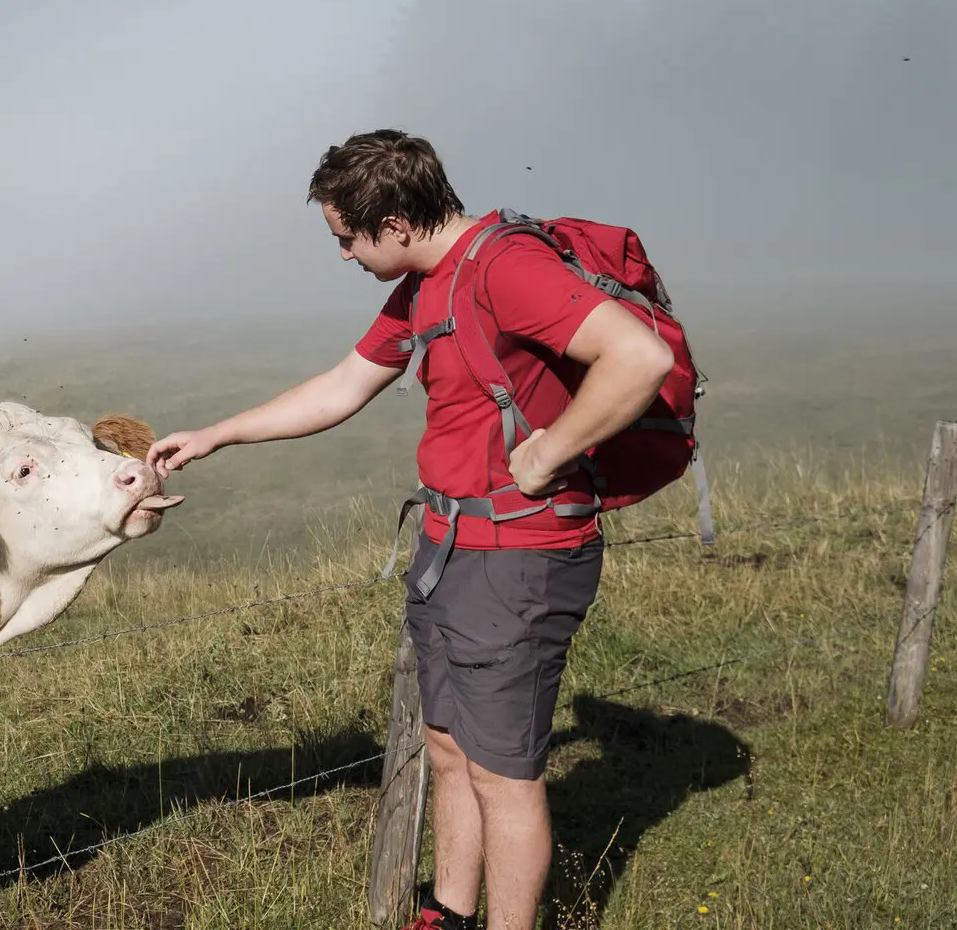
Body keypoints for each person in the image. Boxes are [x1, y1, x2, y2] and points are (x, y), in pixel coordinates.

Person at [145, 129, 674, 930]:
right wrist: (217, 434)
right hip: (452, 548)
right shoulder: (427, 283)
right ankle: (449, 914)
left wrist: (547, 455)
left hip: (521, 556)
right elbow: (341, 387)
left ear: (393, 221)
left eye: (347, 238)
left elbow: (636, 358)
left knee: (505, 775)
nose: (344, 256)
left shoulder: (505, 266)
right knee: (450, 746)